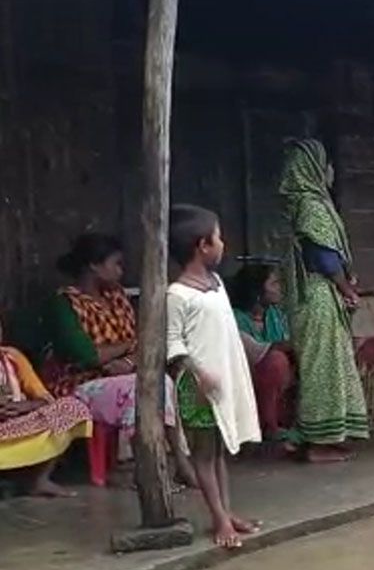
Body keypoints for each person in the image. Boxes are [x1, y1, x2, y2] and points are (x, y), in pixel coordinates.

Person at [42, 234, 185, 482]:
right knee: (139, 387)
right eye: (116, 263)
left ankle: (178, 461)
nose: (121, 271)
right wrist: (127, 347)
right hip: (78, 385)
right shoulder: (64, 303)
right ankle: (142, 466)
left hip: (123, 375)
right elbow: (86, 355)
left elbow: (144, 345)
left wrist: (127, 362)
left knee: (160, 381)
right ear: (94, 266)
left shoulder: (117, 298)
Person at [167, 204, 262, 548]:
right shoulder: (177, 295)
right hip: (198, 388)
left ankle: (227, 511)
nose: (223, 244)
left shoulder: (217, 283)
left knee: (220, 452)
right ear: (202, 246)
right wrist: (197, 373)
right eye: (219, 238)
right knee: (204, 455)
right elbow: (173, 344)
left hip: (221, 383)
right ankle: (219, 519)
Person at [279, 138, 369, 463]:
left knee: (322, 367)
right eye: (326, 163)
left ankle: (308, 436)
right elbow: (324, 258)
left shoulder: (303, 205)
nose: (331, 170)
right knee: (323, 369)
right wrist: (347, 289)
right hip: (318, 297)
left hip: (313, 297)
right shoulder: (313, 207)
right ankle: (318, 445)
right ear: (314, 169)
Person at [0, 319, 92, 498]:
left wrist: (25, 406)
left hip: (19, 422)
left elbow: (44, 397)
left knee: (70, 408)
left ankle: (39, 481)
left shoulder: (12, 357)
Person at [229, 263, 297, 448]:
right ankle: (268, 426)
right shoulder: (234, 318)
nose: (279, 289)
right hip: (245, 378)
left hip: (273, 381)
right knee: (276, 361)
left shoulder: (275, 314)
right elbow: (255, 353)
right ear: (258, 290)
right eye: (274, 284)